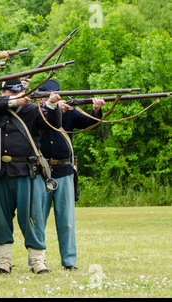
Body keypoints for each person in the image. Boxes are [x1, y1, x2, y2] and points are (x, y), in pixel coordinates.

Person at [0, 78, 62, 274]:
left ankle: (38, 261)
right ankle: (3, 261)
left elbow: (52, 124)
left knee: (31, 217)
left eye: (12, 93)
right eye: (6, 93)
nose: (8, 96)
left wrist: (52, 105)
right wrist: (12, 102)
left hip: (26, 170)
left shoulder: (31, 110)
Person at [38, 80, 105, 271]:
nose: (48, 98)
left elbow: (89, 123)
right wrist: (52, 107)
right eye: (45, 96)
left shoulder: (68, 111)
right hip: (41, 171)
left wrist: (96, 110)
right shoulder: (35, 112)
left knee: (66, 221)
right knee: (38, 220)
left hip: (65, 170)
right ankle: (37, 261)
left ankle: (69, 261)